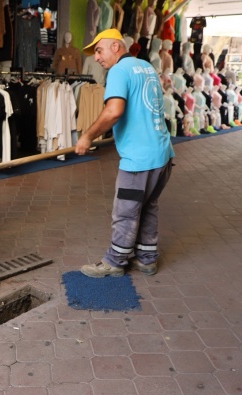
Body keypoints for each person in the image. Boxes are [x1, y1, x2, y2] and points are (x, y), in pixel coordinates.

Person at [75, 29, 174, 278]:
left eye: (99, 50)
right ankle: (147, 258)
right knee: (148, 205)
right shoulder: (147, 68)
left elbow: (113, 111)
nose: (97, 58)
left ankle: (115, 261)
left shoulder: (119, 71)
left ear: (116, 47)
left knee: (126, 211)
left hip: (139, 160)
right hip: (162, 155)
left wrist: (87, 136)